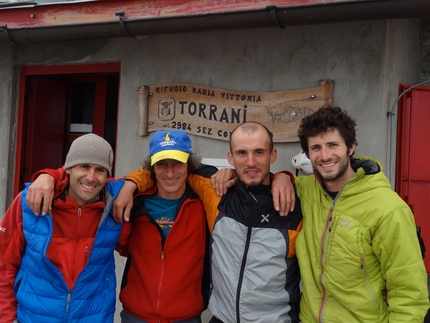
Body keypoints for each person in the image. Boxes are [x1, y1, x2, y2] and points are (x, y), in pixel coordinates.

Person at [118, 122, 303, 323]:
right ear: (230, 157)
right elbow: (161, 171)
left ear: (273, 155)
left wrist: (284, 177)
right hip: (214, 318)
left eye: (259, 152)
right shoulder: (215, 192)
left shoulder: (297, 200)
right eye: (242, 153)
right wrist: (130, 185)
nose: (250, 162)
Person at [25, 129, 213, 323]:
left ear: (189, 165)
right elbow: (85, 182)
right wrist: (48, 176)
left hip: (187, 317)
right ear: (152, 167)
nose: (170, 172)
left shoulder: (203, 205)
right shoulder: (133, 202)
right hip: (135, 316)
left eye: (177, 163)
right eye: (162, 164)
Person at [294, 106, 429, 322]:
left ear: (351, 146)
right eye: (316, 147)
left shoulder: (388, 208)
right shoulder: (305, 190)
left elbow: (409, 293)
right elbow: (263, 180)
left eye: (333, 145)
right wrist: (281, 176)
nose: (325, 155)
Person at [0, 133, 124, 323]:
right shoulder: (30, 202)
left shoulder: (115, 206)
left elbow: (149, 178)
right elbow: (3, 266)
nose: (91, 177)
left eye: (100, 170)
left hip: (93, 317)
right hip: (34, 318)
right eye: (84, 166)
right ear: (68, 169)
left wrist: (131, 186)